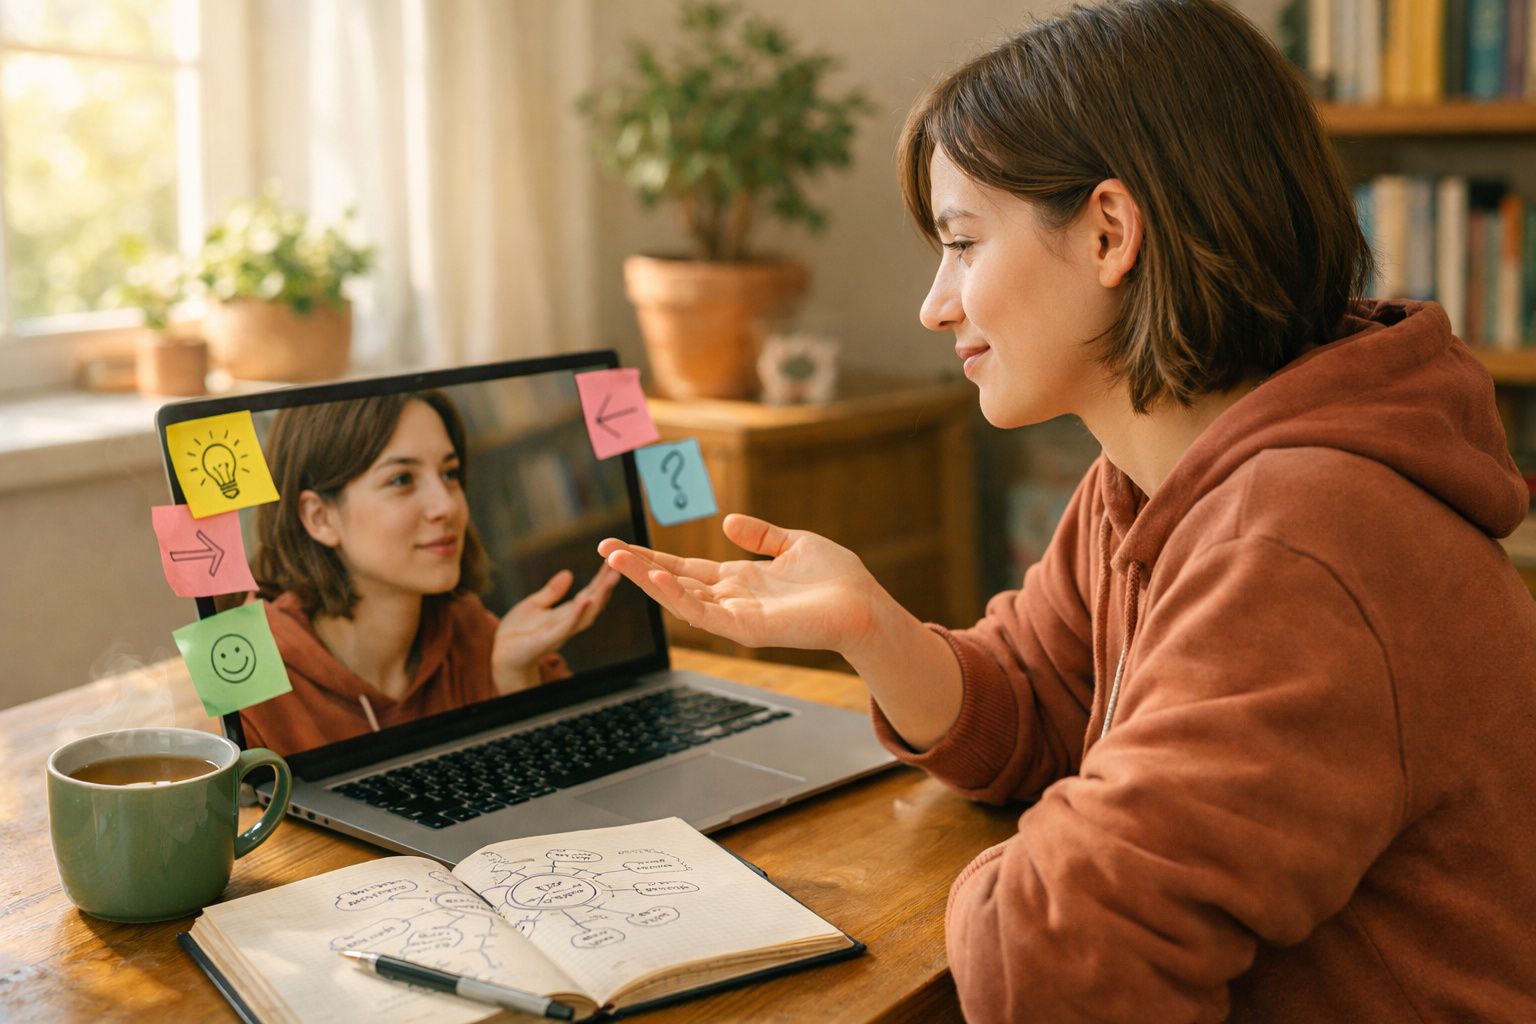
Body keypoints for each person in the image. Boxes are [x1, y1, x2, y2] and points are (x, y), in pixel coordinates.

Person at [597, 0, 1536, 1019]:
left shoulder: (1304, 537)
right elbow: (1040, 702)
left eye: (961, 242)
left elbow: (1059, 953)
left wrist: (995, 877)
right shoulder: (1144, 480)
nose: (935, 303)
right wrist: (869, 624)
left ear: (1108, 233)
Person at [244, 390, 619, 756]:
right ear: (319, 517)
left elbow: (578, 785)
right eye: (401, 480)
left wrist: (514, 679)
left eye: (450, 473)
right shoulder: (244, 674)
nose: (446, 505)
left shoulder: (476, 634)